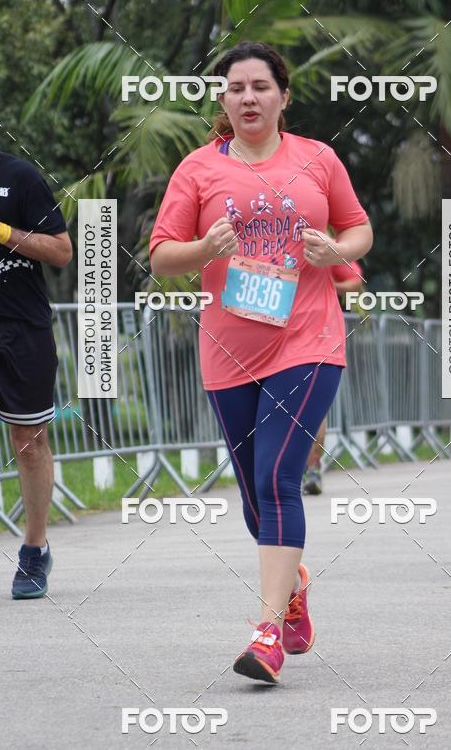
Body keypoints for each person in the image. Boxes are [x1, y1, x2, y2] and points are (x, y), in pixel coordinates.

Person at [150, 41, 372, 683]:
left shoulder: (318, 160)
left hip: (308, 339)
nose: (248, 97)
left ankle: (268, 632)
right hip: (228, 349)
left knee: (278, 478)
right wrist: (202, 248)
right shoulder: (197, 169)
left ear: (283, 96)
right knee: (254, 495)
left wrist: (336, 250)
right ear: (222, 99)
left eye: (260, 86)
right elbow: (162, 254)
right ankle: (292, 585)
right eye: (236, 88)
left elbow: (359, 230)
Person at [0, 80, 72, 600]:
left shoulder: (19, 177)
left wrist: (3, 230)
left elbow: (61, 251)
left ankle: (35, 549)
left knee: (29, 443)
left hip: (23, 328)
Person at [302, 260, 364, 495]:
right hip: (274, 339)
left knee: (315, 409)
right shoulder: (262, 238)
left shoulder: (321, 245)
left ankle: (312, 468)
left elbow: (355, 281)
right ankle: (285, 470)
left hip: (318, 338)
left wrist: (326, 285)